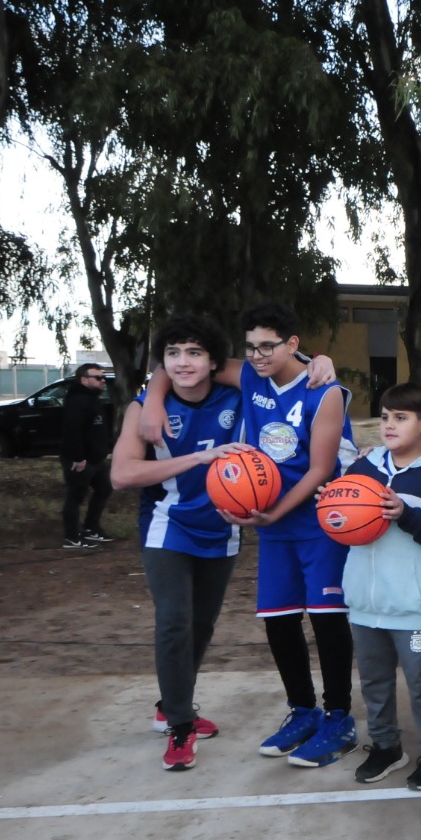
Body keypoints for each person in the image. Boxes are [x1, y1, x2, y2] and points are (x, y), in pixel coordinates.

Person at [138, 311, 352, 766]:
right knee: (279, 620)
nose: (256, 355)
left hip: (315, 521)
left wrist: (273, 511)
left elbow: (319, 469)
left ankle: (339, 717)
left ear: (292, 344)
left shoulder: (324, 391)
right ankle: (302, 710)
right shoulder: (253, 378)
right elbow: (178, 364)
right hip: (272, 525)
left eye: (267, 346)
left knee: (328, 619)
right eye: (251, 346)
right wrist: (152, 401)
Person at [110, 316, 248, 770]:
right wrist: (199, 456)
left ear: (213, 361)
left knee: (202, 626)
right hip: (167, 525)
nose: (183, 362)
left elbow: (281, 370)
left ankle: (172, 702)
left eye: (193, 352)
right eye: (172, 354)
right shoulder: (142, 409)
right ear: (162, 362)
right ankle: (180, 727)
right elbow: (122, 475)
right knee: (174, 621)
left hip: (222, 524)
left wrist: (321, 360)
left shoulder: (239, 394)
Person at [340, 382, 421, 790]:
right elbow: (342, 529)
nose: (389, 425)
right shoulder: (363, 468)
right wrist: (331, 509)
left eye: (401, 418)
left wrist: (404, 513)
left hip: (414, 600)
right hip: (364, 599)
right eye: (385, 416)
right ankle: (386, 746)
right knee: (374, 680)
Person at [60, 362, 114, 548]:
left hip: (96, 459)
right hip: (80, 460)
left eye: (103, 377)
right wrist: (78, 457)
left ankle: (91, 527)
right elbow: (72, 431)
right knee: (76, 495)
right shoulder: (76, 400)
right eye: (98, 377)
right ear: (84, 379)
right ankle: (71, 536)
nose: (102, 381)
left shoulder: (92, 398)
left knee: (104, 488)